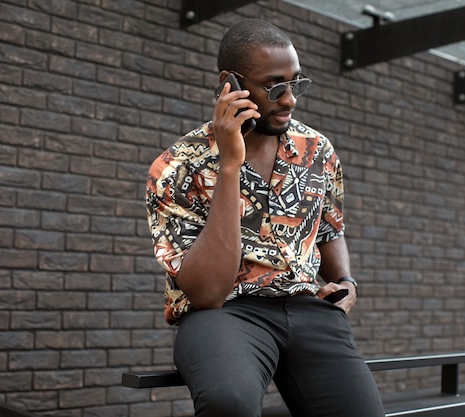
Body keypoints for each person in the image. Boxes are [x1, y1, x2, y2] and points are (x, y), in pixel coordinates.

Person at [146, 19, 384, 417]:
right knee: (229, 402)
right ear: (231, 83)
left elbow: (327, 225)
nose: (290, 99)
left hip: (308, 310)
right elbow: (206, 293)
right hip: (225, 315)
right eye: (275, 86)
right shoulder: (177, 167)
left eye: (296, 83)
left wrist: (344, 281)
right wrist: (228, 165)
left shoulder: (316, 149)